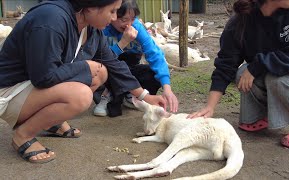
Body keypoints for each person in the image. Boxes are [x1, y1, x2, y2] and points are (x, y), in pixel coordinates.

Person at [0, 0, 166, 163]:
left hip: (30, 89)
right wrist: (84, 67)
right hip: (8, 93)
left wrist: (145, 96)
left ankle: (51, 121)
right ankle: (23, 135)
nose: (114, 18)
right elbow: (43, 77)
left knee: (101, 72)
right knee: (80, 96)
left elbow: (113, 64)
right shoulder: (51, 19)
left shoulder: (90, 28)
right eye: (112, 11)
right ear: (92, 6)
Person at [188, 0, 289, 149]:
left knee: (277, 79)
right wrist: (210, 106)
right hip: (279, 73)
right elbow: (226, 64)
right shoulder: (241, 20)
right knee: (242, 73)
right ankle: (264, 115)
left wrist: (258, 65)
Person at [93, 0, 178, 117]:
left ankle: (131, 96)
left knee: (153, 73)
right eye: (124, 20)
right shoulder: (103, 28)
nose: (129, 24)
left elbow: (155, 54)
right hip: (110, 69)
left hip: (130, 67)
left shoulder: (137, 27)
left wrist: (167, 88)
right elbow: (101, 59)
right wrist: (123, 42)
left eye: (132, 19)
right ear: (112, 15)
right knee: (114, 109)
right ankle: (107, 94)